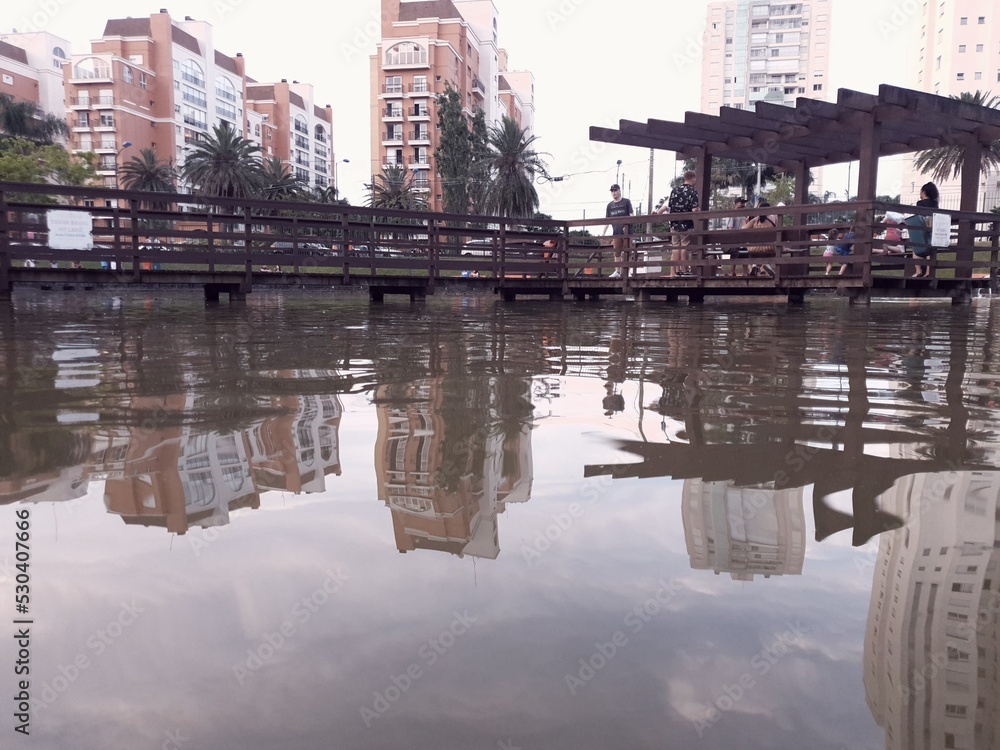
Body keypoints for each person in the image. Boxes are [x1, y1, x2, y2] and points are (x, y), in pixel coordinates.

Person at [656, 170, 700, 277]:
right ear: (693, 178)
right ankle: (684, 269)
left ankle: (675, 271)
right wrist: (699, 210)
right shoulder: (692, 191)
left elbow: (670, 206)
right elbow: (694, 209)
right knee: (685, 245)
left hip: (674, 222)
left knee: (675, 246)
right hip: (686, 222)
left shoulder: (674, 191)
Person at [907, 181, 939, 278]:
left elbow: (918, 216)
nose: (919, 194)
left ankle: (918, 271)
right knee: (930, 250)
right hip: (932, 227)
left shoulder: (920, 203)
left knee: (916, 249)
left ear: (924, 192)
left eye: (920, 192)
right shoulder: (935, 203)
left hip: (922, 227)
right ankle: (928, 271)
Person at [604, 184, 633, 279]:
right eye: (612, 191)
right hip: (616, 232)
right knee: (617, 252)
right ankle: (617, 271)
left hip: (627, 232)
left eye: (615, 190)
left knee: (628, 251)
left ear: (619, 191)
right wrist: (603, 233)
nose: (614, 193)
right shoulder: (609, 205)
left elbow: (632, 215)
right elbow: (607, 220)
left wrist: (628, 225)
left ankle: (628, 271)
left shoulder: (626, 202)